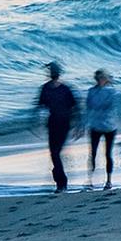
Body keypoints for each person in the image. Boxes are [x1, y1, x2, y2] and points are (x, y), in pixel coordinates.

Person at [34, 61, 79, 193]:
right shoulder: (46, 89)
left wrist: (78, 125)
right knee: (54, 153)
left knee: (55, 153)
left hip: (64, 124)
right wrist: (33, 120)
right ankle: (60, 180)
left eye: (53, 72)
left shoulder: (64, 89)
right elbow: (39, 106)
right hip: (53, 124)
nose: (53, 74)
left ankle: (61, 182)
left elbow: (76, 107)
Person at [85, 69, 120, 189]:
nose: (99, 80)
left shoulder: (112, 91)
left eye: (101, 78)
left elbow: (110, 106)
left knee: (108, 154)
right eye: (98, 78)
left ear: (105, 79)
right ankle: (90, 180)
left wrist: (97, 108)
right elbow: (88, 107)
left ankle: (109, 180)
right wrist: (84, 123)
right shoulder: (91, 91)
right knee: (92, 153)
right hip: (95, 125)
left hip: (109, 126)